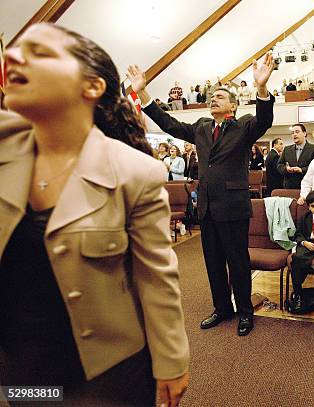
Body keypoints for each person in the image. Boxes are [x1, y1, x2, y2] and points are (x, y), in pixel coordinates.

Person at [0, 23, 189, 406]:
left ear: (91, 86)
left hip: (105, 374)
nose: (12, 56)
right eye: (15, 48)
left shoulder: (135, 172)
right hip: (21, 369)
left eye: (40, 52)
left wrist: (171, 360)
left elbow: (155, 277)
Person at [127, 52, 275, 337]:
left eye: (219, 96)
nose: (213, 99)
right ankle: (222, 308)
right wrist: (143, 92)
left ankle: (245, 311)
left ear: (232, 104)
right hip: (207, 207)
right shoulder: (201, 128)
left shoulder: (244, 126)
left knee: (238, 262)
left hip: (233, 206)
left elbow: (265, 120)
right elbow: (169, 124)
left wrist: (261, 88)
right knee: (213, 262)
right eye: (211, 97)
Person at [277, 124, 314, 189]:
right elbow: (279, 165)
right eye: (292, 133)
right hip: (290, 187)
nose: (294, 134)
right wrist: (286, 169)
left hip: (309, 188)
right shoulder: (287, 149)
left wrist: (301, 170)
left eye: (297, 132)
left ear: (304, 133)